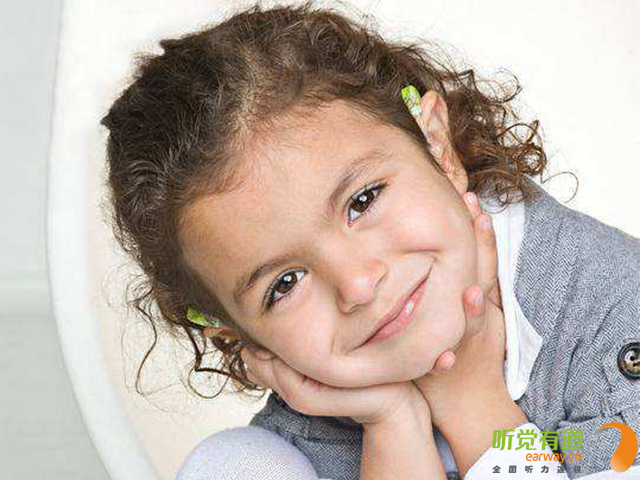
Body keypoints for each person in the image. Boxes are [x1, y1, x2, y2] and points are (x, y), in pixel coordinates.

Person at [99, 1, 640, 478]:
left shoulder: (613, 313)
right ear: (238, 334)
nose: (357, 285)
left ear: (437, 145)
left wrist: (471, 400)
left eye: (363, 200)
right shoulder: (281, 451)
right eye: (285, 284)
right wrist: (393, 422)